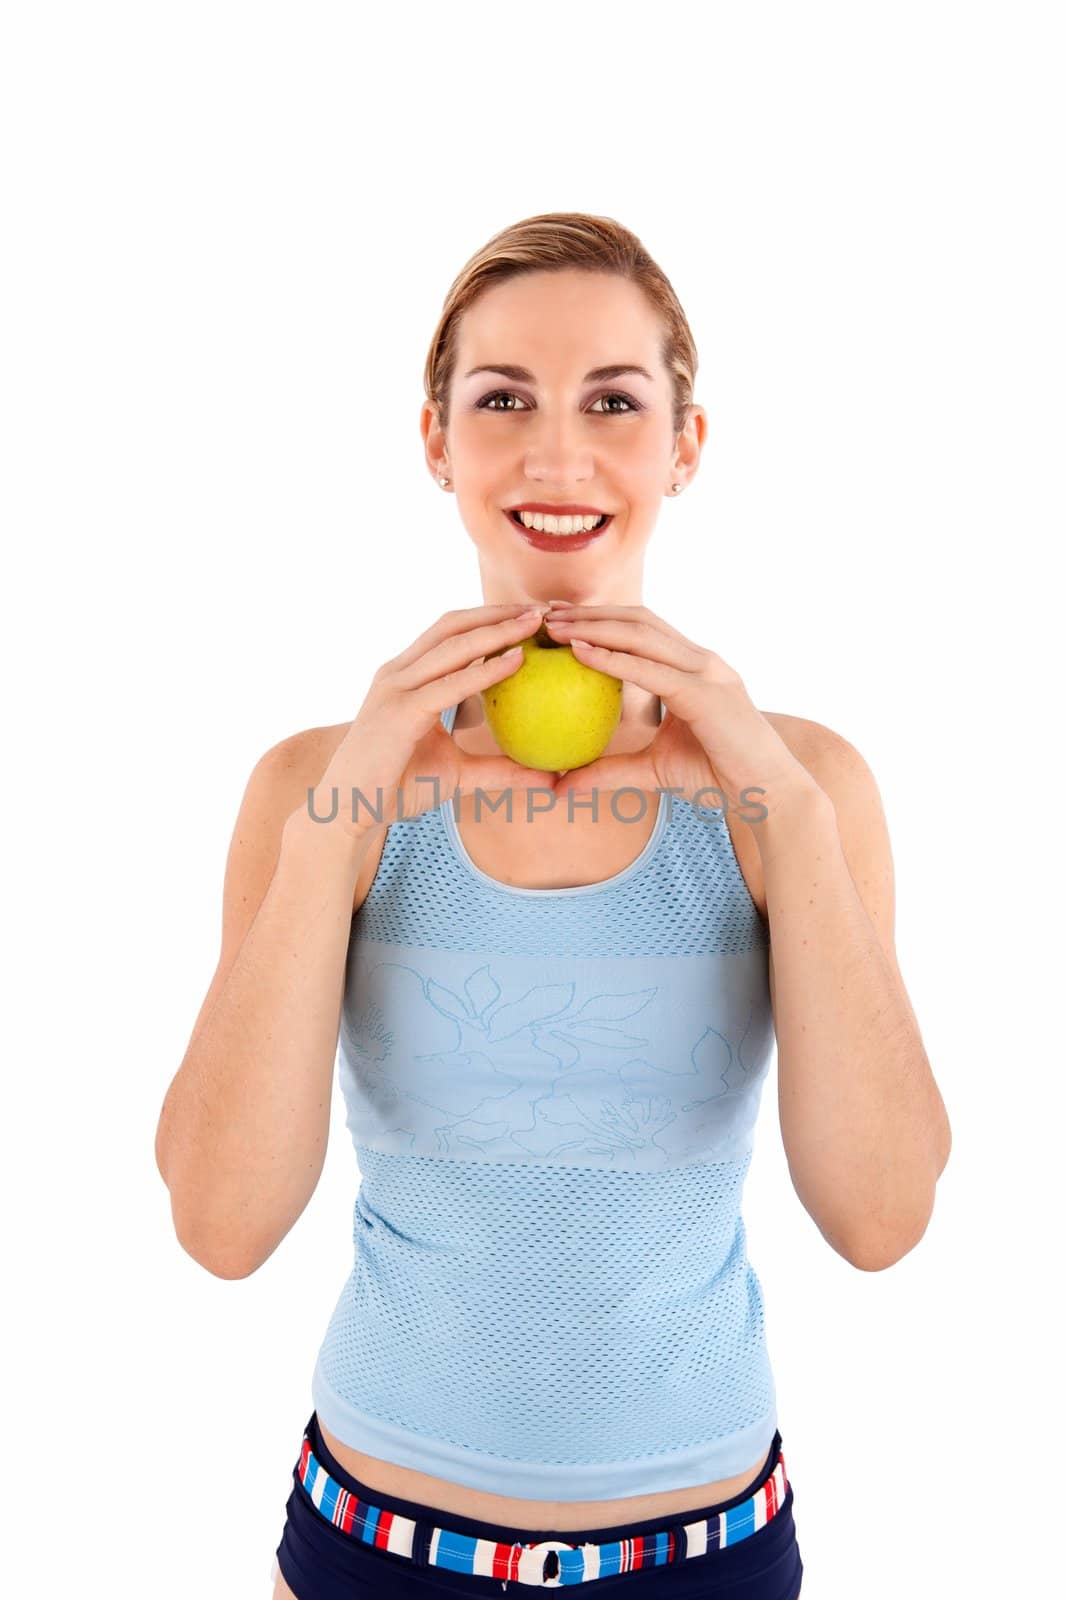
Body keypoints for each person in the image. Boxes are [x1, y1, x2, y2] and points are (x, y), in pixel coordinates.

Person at [154, 212, 951, 1598]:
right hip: (377, 1548)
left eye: (615, 402)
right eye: (503, 399)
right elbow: (221, 1227)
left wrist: (769, 787)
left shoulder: (802, 788)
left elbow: (882, 1219)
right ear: (435, 441)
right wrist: (348, 798)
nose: (558, 454)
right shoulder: (317, 785)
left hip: (701, 1553)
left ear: (686, 446)